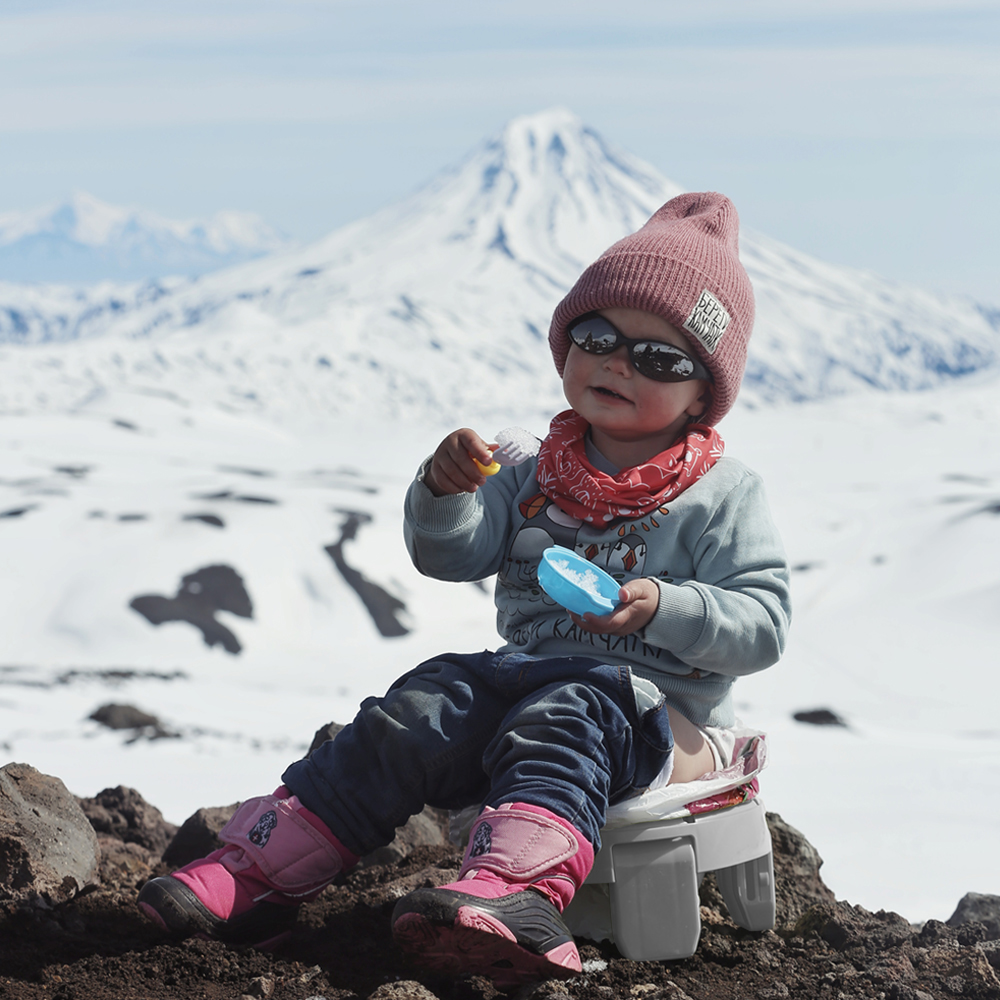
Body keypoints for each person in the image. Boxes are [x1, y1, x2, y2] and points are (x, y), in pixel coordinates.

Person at [137, 192, 791, 986]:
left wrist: (664, 605)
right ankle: (260, 877)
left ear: (703, 392)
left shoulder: (723, 494)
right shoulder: (532, 471)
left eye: (658, 358)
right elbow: (451, 556)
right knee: (426, 701)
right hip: (528, 685)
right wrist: (446, 493)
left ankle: (521, 896)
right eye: (597, 337)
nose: (618, 362)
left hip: (664, 721)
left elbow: (763, 624)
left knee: (572, 706)